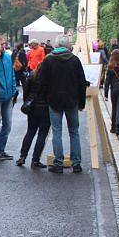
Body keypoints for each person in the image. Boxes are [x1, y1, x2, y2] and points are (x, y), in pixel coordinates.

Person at [39, 35, 87, 174]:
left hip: (54, 100)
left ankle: (58, 163)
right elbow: (81, 83)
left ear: (56, 45)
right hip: (72, 100)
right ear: (67, 46)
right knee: (74, 132)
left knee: (57, 132)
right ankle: (76, 163)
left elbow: (42, 82)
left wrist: (45, 99)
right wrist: (81, 103)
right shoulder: (74, 60)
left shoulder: (49, 60)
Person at [16, 67, 49, 169]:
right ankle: (35, 160)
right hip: (45, 108)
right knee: (42, 135)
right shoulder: (49, 77)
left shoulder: (32, 75)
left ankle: (22, 156)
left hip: (33, 107)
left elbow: (26, 92)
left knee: (30, 132)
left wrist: (28, 102)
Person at [0, 41, 16, 161]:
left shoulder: (7, 56)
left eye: (3, 45)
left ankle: (1, 150)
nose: (1, 48)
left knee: (8, 124)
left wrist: (13, 89)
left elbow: (12, 73)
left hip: (8, 95)